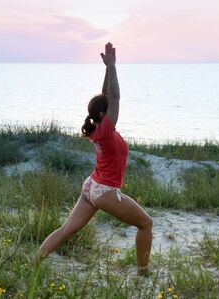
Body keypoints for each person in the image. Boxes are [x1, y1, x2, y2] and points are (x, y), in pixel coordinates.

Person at [38, 42, 153, 276]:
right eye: (109, 108)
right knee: (146, 224)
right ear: (103, 114)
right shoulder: (107, 131)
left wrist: (107, 69)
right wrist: (114, 66)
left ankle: (33, 264)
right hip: (104, 192)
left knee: (66, 229)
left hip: (91, 186)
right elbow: (115, 97)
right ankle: (144, 272)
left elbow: (107, 96)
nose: (113, 108)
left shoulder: (97, 129)